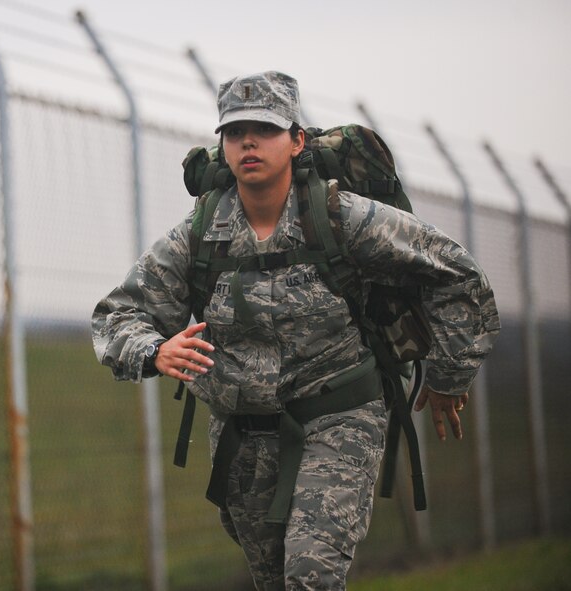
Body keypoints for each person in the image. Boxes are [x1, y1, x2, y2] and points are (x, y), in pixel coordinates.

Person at [92, 71, 500, 590]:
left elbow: (458, 275)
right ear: (223, 146)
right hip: (243, 434)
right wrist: (154, 350)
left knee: (311, 576)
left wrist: (448, 375)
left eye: (265, 129)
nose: (248, 143)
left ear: (297, 140)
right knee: (274, 581)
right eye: (235, 132)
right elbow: (116, 315)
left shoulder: (341, 217)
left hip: (339, 418)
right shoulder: (200, 234)